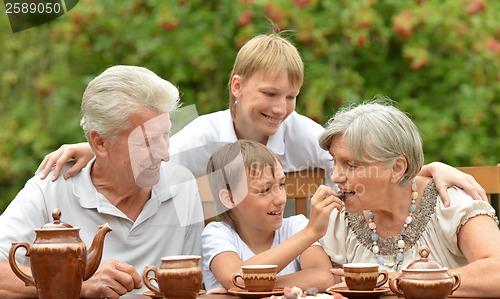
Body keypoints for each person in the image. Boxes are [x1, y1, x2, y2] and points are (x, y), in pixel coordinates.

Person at [34, 29, 486, 208]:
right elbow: (149, 163)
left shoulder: (304, 132)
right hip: (228, 257)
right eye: (269, 94)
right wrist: (94, 149)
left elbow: (371, 164)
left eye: (291, 95)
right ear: (236, 87)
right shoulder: (202, 132)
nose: (280, 108)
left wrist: (434, 167)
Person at [0, 65, 204, 299]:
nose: (164, 154)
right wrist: (77, 283)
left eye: (166, 135)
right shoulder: (50, 188)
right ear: (100, 142)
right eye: (147, 142)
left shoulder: (183, 186)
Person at [318, 98, 500, 298]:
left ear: (396, 168)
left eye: (351, 165)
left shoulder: (449, 202)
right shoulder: (339, 219)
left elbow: (496, 272)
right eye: (334, 161)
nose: (335, 176)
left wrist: (398, 280)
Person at [202, 140, 339, 292]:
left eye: (281, 185)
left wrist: (251, 285)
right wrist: (311, 233)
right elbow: (235, 278)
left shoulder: (296, 227)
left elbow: (324, 278)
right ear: (231, 198)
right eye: (265, 190)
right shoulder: (217, 234)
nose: (281, 199)